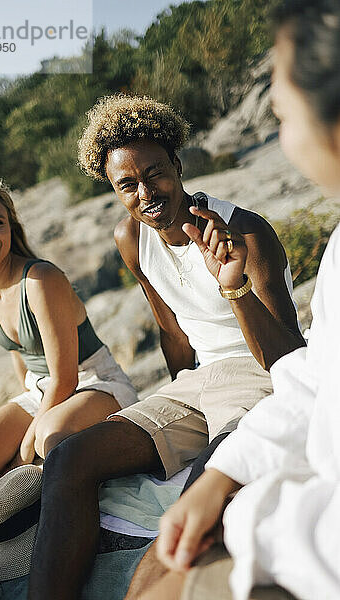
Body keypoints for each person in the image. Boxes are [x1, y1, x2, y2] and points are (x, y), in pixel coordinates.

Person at [27, 94, 306, 599]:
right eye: (127, 185)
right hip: (195, 385)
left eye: (155, 173)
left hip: (259, 377)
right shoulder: (131, 237)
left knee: (206, 486)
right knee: (69, 459)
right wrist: (163, 410)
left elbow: (288, 359)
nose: (146, 193)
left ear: (178, 166)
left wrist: (233, 286)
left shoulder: (246, 231)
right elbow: (173, 332)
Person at [144, 1, 340, 599]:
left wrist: (254, 526)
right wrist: (224, 475)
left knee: (173, 576)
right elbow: (320, 377)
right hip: (226, 401)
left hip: (308, 545)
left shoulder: (246, 228)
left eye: (281, 112)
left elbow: (292, 358)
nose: (279, 130)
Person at [0, 177, 137, 483]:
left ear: (10, 228)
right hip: (43, 390)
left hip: (94, 383)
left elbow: (66, 378)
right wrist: (25, 411)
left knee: (49, 439)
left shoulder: (40, 279)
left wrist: (23, 450)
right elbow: (18, 353)